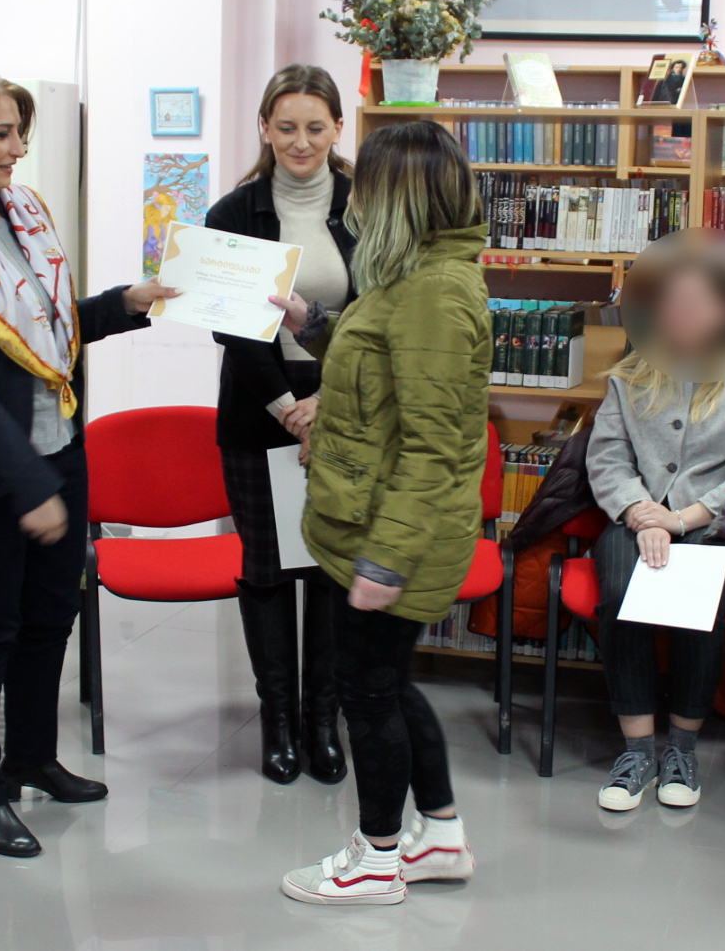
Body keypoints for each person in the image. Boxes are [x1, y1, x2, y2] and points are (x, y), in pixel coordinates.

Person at [0, 63, 174, 858]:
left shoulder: (24, 214)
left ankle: (31, 758)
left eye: (20, 131)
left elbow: (49, 331)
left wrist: (123, 304)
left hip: (58, 450)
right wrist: (28, 484)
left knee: (50, 617)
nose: (18, 147)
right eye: (2, 133)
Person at [273, 120, 490, 905]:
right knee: (388, 684)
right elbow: (384, 368)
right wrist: (312, 324)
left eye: (363, 186)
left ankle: (375, 859)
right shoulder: (418, 275)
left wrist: (386, 558)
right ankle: (439, 838)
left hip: (391, 532)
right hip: (375, 520)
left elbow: (433, 448)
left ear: (396, 198)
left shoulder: (433, 292)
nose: (351, 200)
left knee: (366, 694)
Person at [205, 65, 355, 785]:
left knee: (329, 570)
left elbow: (378, 314)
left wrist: (333, 400)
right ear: (264, 128)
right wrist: (287, 410)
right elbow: (232, 329)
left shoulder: (366, 206)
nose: (301, 142)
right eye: (286, 127)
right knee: (266, 572)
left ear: (337, 129)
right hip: (257, 407)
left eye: (315, 127)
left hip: (346, 405)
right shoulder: (232, 213)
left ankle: (321, 721)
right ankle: (277, 723)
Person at [586, 264, 725, 812]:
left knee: (697, 598)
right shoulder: (631, 375)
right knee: (623, 590)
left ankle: (682, 750)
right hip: (636, 516)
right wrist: (641, 512)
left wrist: (682, 519)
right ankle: (637, 751)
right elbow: (606, 457)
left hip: (711, 523)